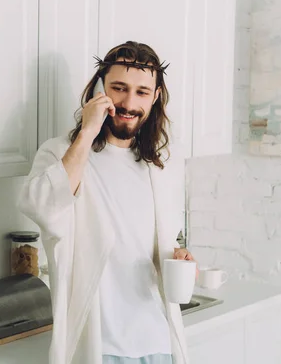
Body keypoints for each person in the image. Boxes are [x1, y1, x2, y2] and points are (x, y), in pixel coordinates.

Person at [18, 41, 195, 364]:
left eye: (142, 92)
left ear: (155, 97)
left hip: (157, 340)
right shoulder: (61, 154)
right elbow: (40, 206)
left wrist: (177, 256)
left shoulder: (163, 163)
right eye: (119, 88)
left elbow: (156, 243)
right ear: (99, 89)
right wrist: (87, 131)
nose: (129, 102)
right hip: (98, 345)